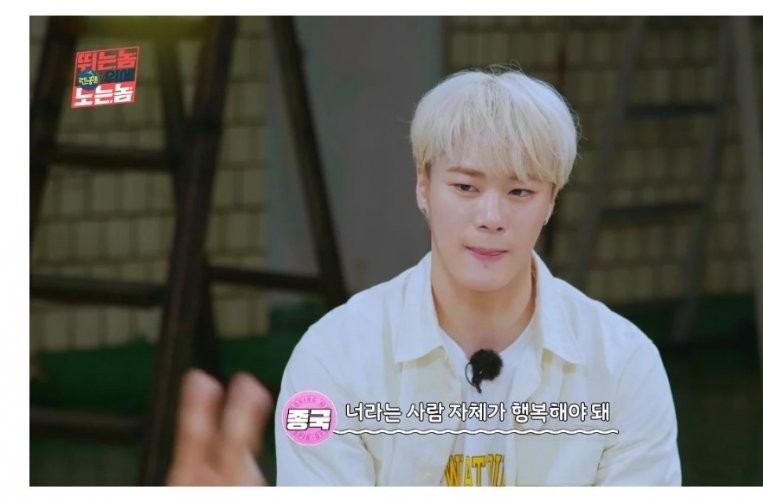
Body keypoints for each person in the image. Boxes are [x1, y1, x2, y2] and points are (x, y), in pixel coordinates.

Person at [272, 66, 682, 486]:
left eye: (520, 192)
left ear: (551, 201)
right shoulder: (332, 358)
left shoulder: (625, 367)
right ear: (423, 185)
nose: (491, 218)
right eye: (465, 187)